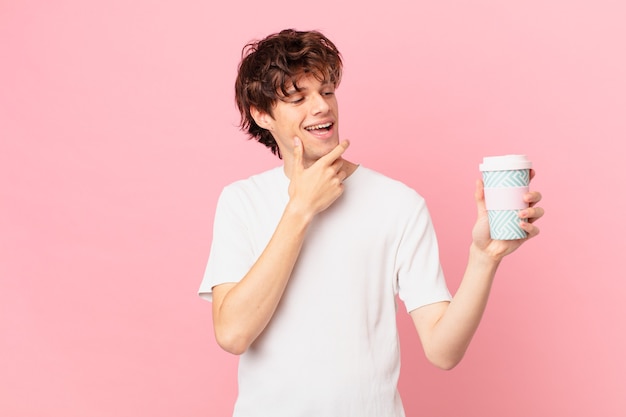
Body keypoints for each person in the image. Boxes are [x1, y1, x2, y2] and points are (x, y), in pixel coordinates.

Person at [198, 28, 544, 417]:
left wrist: (485, 257)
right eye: (298, 98)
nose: (321, 108)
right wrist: (300, 210)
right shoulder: (242, 202)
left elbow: (443, 351)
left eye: (327, 92)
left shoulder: (399, 204)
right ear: (262, 115)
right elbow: (232, 333)